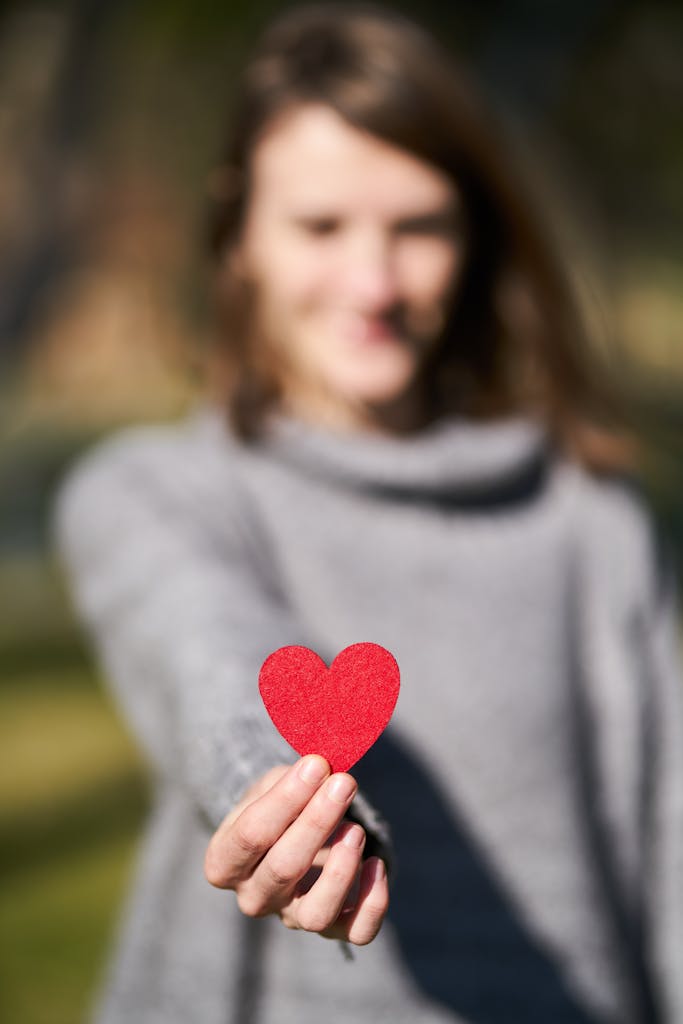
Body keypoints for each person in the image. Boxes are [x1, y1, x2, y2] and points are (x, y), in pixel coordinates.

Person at [54, 4, 683, 1023]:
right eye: (319, 225)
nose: (373, 281)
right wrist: (274, 796)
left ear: (472, 234)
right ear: (240, 231)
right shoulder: (151, 493)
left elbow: (666, 842)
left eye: (417, 225)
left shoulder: (592, 522)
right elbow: (203, 645)